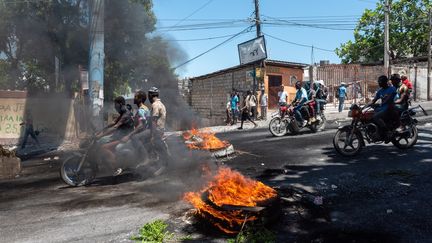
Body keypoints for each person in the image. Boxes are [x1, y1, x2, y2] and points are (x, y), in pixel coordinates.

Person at [96, 96, 134, 175]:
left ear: (120, 104)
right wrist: (101, 130)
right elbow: (113, 123)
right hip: (118, 136)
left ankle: (117, 167)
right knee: (100, 141)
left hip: (124, 138)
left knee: (104, 147)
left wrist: (101, 135)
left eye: (115, 104)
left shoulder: (126, 113)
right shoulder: (122, 113)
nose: (114, 107)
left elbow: (115, 127)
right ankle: (105, 162)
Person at [368, 75, 397, 142]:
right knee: (370, 116)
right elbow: (374, 100)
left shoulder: (392, 89)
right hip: (382, 108)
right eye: (379, 82)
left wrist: (379, 103)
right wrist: (366, 106)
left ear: (385, 82)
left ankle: (388, 131)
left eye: (380, 82)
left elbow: (389, 98)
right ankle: (377, 132)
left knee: (376, 117)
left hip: (389, 108)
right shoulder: (380, 91)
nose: (379, 83)